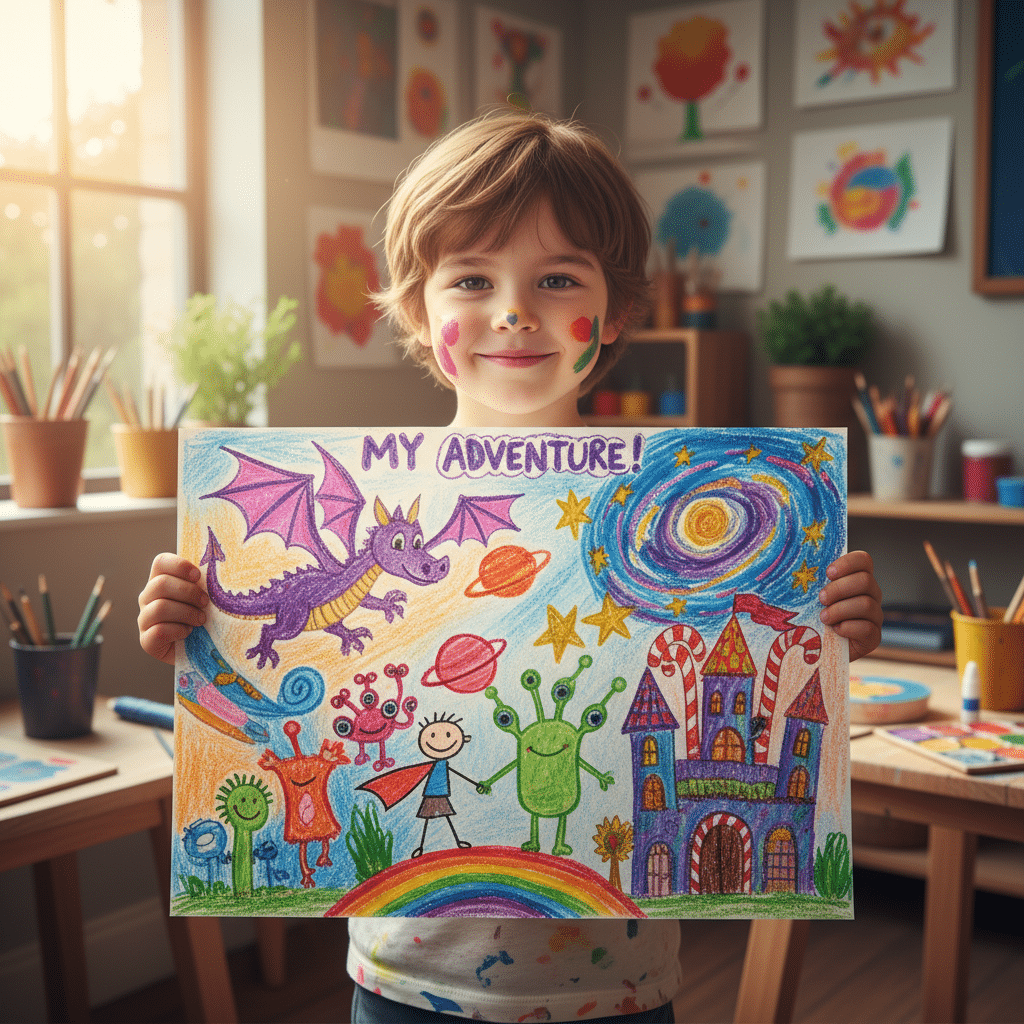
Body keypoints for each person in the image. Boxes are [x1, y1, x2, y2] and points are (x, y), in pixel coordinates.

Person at [138, 109, 883, 1024]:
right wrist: (190, 620)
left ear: (613, 313)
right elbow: (271, 665)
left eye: (558, 278)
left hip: (617, 990)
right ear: (419, 308)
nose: (515, 311)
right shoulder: (377, 502)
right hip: (407, 980)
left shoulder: (670, 513)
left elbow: (776, 652)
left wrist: (835, 622)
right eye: (473, 279)